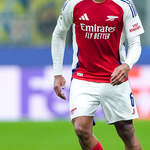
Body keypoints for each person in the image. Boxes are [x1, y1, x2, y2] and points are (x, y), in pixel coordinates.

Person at [51, 0, 144, 149]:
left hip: (115, 78)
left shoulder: (124, 4)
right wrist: (57, 73)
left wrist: (127, 65)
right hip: (83, 77)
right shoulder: (73, 3)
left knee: (127, 132)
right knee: (81, 129)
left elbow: (135, 44)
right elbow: (59, 34)